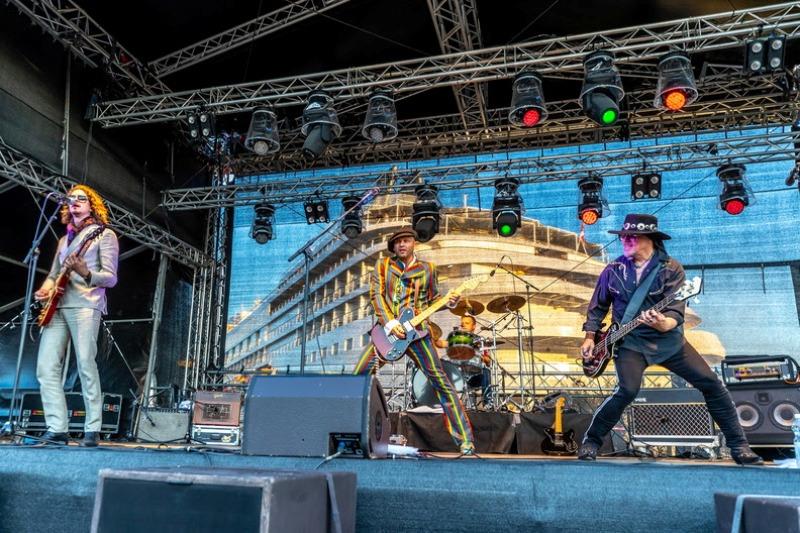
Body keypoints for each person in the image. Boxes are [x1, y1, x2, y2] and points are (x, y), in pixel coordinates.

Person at [578, 213, 762, 465]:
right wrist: (590, 337)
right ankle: (591, 441)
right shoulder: (612, 270)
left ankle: (739, 446)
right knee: (626, 391)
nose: (626, 240)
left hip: (668, 342)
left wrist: (663, 323)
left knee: (711, 383)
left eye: (633, 236)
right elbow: (598, 307)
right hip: (629, 344)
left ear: (650, 240)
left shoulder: (671, 268)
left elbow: (676, 310)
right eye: (624, 236)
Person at [353, 228, 475, 454]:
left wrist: (449, 302)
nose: (401, 244)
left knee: (441, 381)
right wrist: (390, 323)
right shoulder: (383, 266)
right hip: (388, 333)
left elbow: (433, 298)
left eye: (406, 240)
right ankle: (350, 430)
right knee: (358, 376)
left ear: (413, 243)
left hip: (418, 333)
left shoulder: (428, 269)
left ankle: (465, 440)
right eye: (397, 241)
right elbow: (377, 296)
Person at [33, 185, 119, 446]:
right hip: (57, 306)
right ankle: (57, 427)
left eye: (82, 199)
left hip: (85, 305)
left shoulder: (105, 235)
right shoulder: (64, 240)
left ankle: (93, 428)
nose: (75, 202)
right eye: (71, 199)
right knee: (46, 367)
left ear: (92, 204)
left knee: (85, 364)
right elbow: (53, 274)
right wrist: (46, 288)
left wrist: (86, 272)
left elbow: (111, 278)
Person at [435, 313, 494, 409]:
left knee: (486, 372)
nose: (463, 325)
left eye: (467, 323)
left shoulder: (479, 340)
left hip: (473, 377)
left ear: (474, 326)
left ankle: (488, 403)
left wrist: (481, 357)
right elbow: (441, 344)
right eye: (462, 323)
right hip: (456, 375)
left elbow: (488, 361)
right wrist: (433, 335)